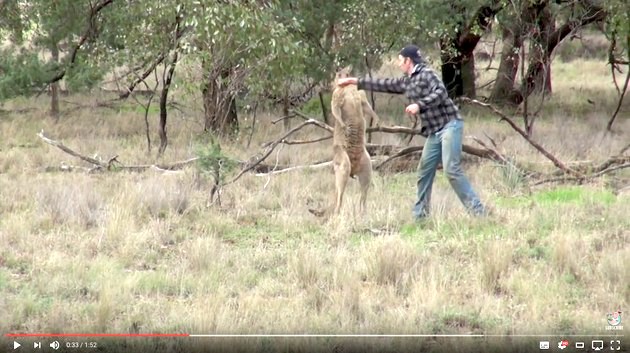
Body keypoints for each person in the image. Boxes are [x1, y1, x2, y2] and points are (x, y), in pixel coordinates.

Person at [336, 44, 487, 221]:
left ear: (409, 61)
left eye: (400, 61)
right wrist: (354, 81)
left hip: (450, 126)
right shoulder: (407, 81)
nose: (398, 64)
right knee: (424, 171)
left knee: (451, 169)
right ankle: (421, 216)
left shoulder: (427, 74)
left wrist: (419, 104)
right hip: (434, 131)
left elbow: (440, 93)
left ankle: (479, 212)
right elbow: (385, 84)